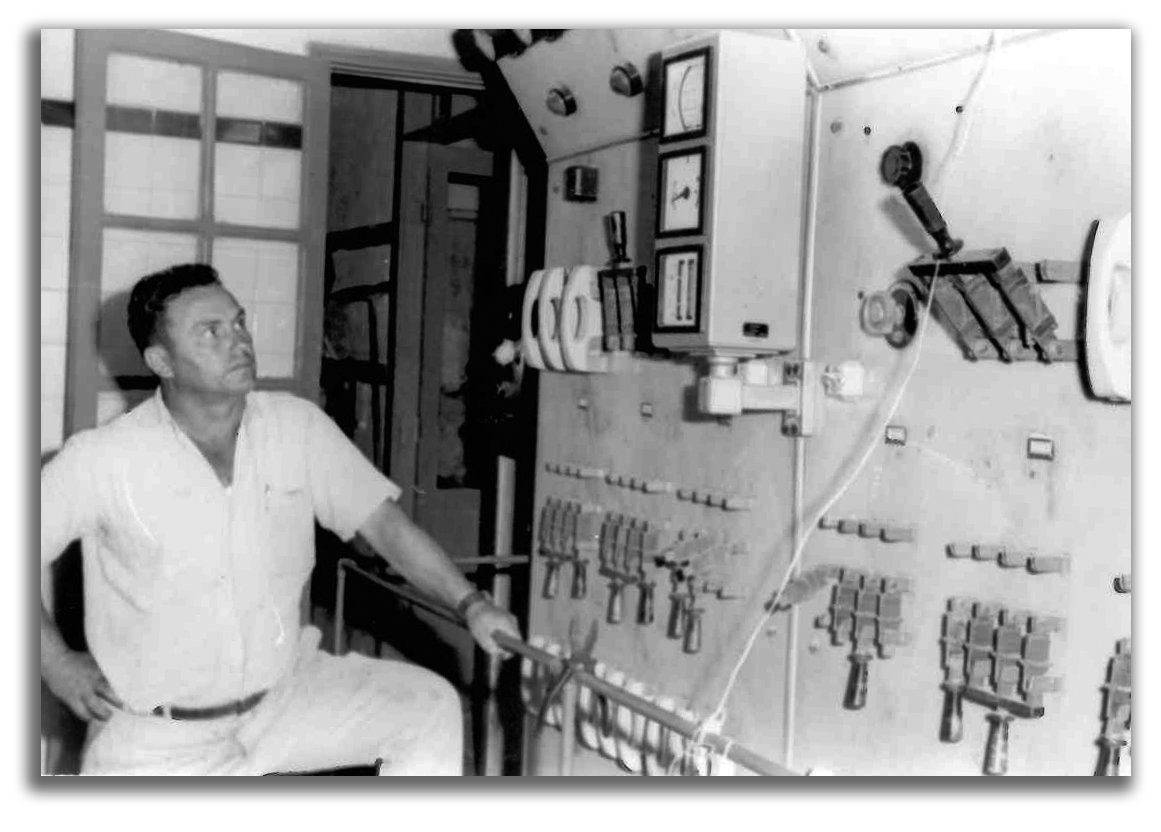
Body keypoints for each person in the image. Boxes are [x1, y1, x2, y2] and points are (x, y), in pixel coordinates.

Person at [40, 263, 522, 775]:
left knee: (426, 708)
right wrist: (55, 663)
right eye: (211, 332)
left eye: (238, 322)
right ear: (162, 360)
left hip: (281, 704)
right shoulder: (103, 459)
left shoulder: (296, 426)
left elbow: (385, 526)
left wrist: (471, 604)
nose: (239, 341)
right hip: (156, 740)